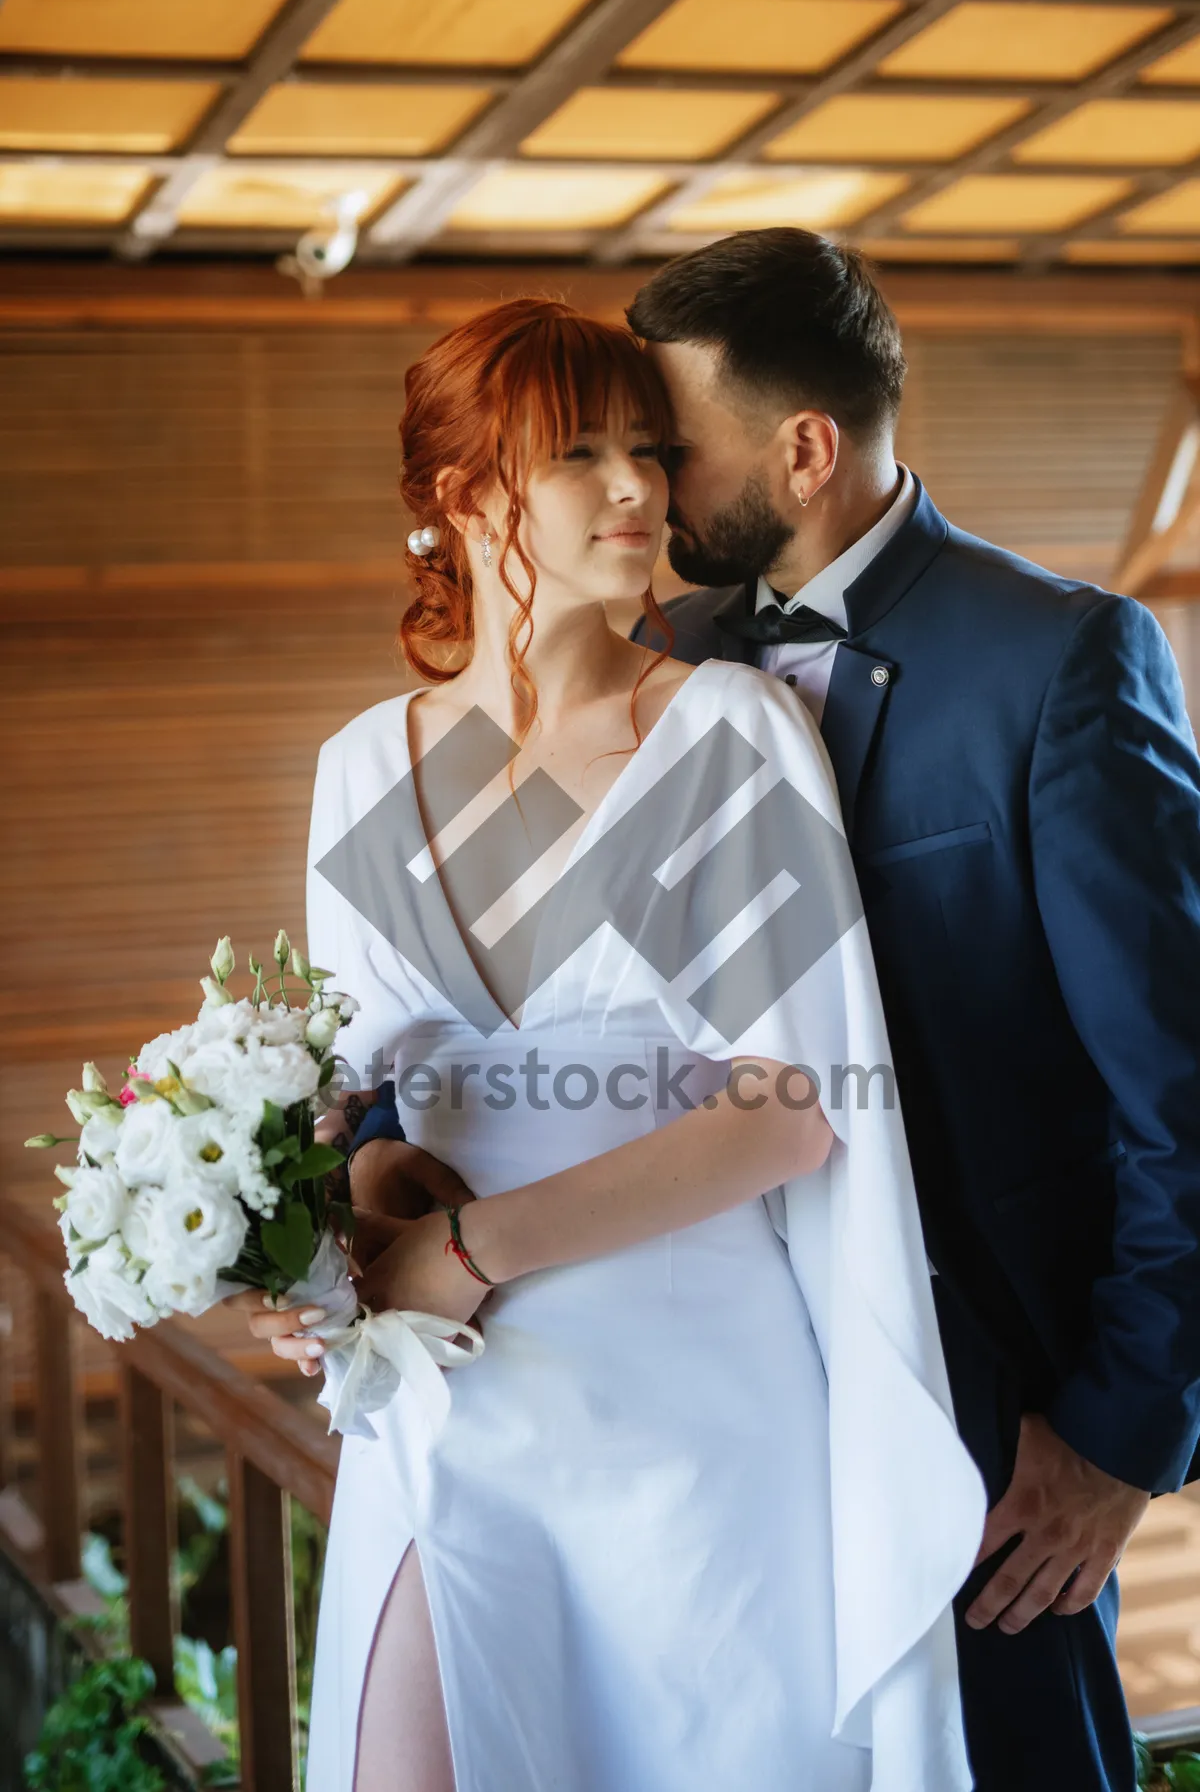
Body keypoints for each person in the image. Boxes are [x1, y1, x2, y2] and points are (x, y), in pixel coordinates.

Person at [239, 295, 985, 1792]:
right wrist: (330, 1232)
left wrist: (474, 1247)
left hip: (691, 1406)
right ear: (465, 498)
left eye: (646, 448)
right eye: (579, 454)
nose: (639, 488)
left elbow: (786, 1115)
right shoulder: (355, 769)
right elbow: (358, 1094)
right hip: (446, 1401)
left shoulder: (725, 735)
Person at [614, 227, 1200, 1790]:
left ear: (802, 448)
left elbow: (1180, 1088)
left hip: (984, 1431)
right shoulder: (657, 660)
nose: (651, 492)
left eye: (676, 449)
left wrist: (1123, 1441)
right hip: (720, 1401)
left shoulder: (1062, 660)